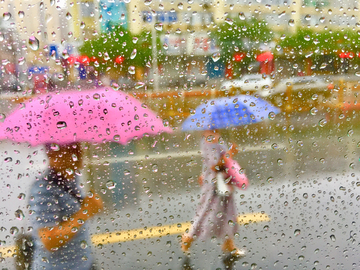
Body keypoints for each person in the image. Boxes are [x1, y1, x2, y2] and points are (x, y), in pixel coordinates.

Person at [29, 143, 104, 269]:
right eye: (71, 147)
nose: (79, 152)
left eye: (78, 145)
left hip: (83, 264)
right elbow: (49, 241)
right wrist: (85, 212)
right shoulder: (43, 189)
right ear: (52, 154)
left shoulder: (71, 179)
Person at [181, 129, 245, 257]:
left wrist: (203, 173)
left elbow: (208, 162)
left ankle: (228, 244)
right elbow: (214, 165)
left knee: (228, 211)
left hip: (222, 179)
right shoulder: (210, 139)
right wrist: (231, 153)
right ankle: (188, 238)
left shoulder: (214, 136)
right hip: (215, 183)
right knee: (207, 211)